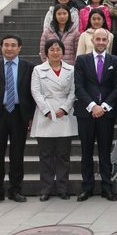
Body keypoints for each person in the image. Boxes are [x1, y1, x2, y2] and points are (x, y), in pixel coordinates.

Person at [0, 34, 35, 206]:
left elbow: (32, 94)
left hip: (19, 115)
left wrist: (31, 117)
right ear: (1, 47)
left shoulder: (28, 67)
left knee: (17, 155)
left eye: (13, 45)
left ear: (19, 48)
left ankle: (15, 190)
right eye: (6, 45)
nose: (9, 48)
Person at [74, 28, 117, 202]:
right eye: (98, 39)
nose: (101, 42)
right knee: (86, 152)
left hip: (106, 114)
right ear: (92, 40)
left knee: (105, 152)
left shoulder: (115, 60)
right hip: (86, 113)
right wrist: (93, 106)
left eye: (104, 39)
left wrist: (104, 107)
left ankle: (107, 187)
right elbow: (78, 86)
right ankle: (87, 188)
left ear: (108, 42)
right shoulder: (82, 60)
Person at [30, 39, 78, 201]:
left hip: (64, 114)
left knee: (63, 155)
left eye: (58, 49)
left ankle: (63, 188)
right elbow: (35, 92)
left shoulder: (71, 69)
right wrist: (46, 111)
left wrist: (64, 108)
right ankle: (46, 189)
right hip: (45, 114)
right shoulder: (38, 70)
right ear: (46, 52)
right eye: (52, 49)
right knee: (46, 155)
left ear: (63, 52)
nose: (55, 52)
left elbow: (73, 91)